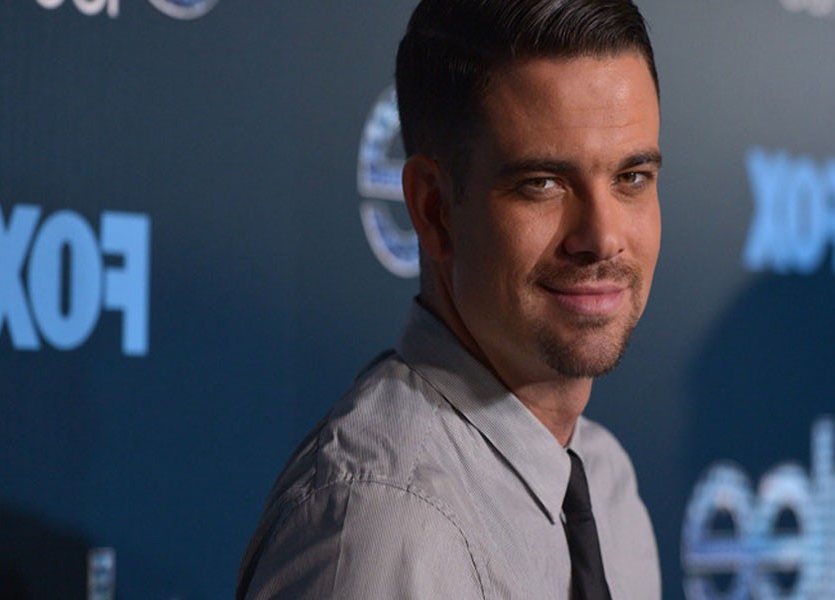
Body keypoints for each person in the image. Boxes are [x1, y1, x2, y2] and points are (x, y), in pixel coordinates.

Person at [236, 0, 662, 597]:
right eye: (541, 184)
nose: (603, 237)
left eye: (631, 178)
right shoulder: (383, 528)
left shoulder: (610, 486)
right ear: (433, 210)